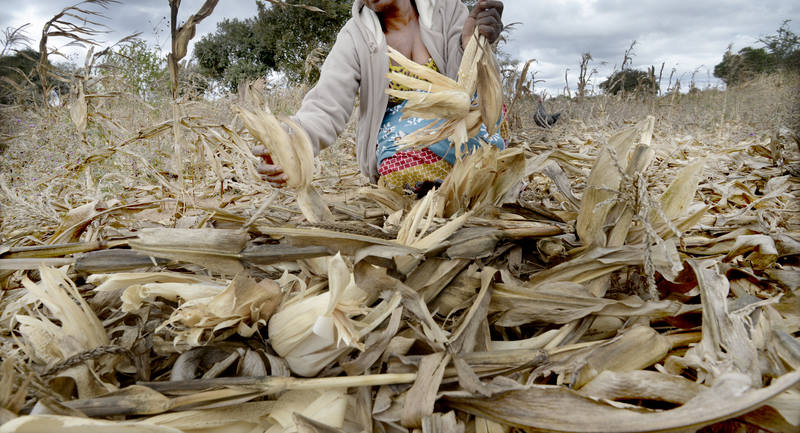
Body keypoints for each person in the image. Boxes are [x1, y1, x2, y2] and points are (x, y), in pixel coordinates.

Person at [255, 0, 505, 194]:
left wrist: (472, 44)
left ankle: (474, 178)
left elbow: (469, 90)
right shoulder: (355, 36)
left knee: (490, 156)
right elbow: (325, 105)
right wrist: (291, 140)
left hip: (455, 127)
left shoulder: (448, 10)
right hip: (403, 145)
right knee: (402, 167)